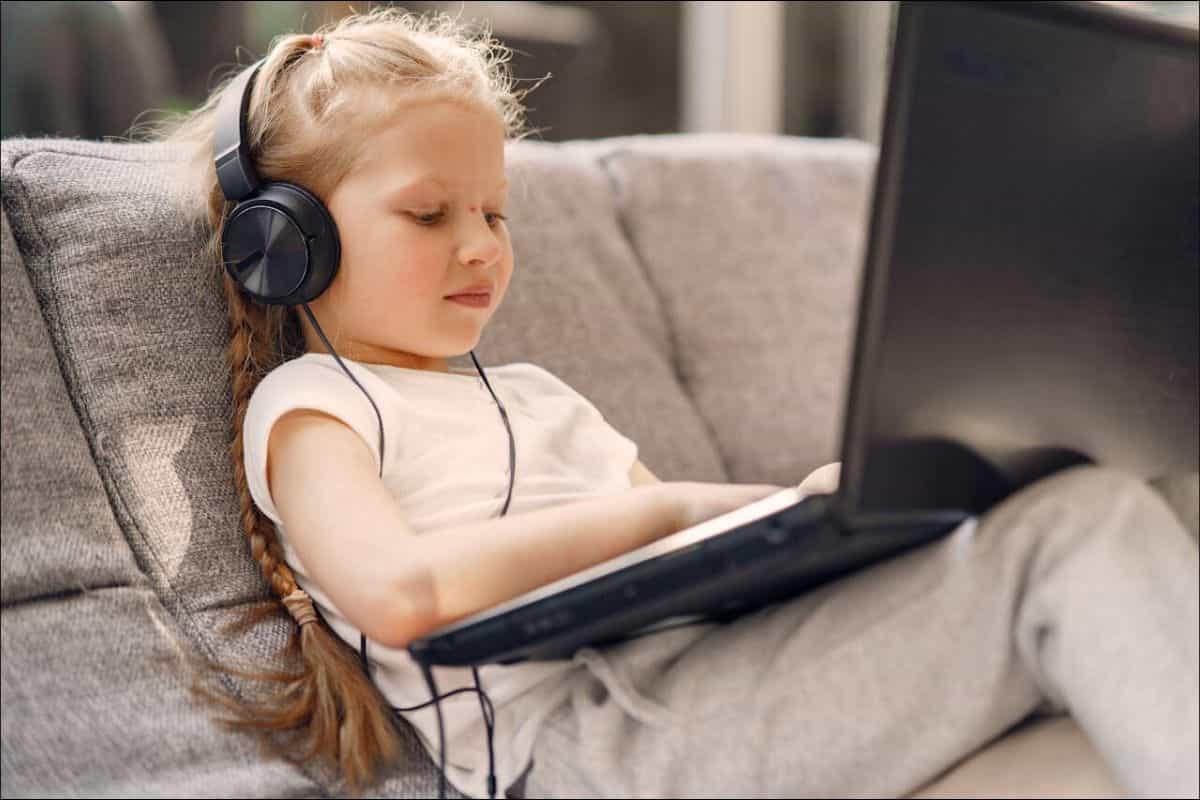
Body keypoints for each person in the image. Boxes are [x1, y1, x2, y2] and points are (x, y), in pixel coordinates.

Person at [146, 8, 1199, 799]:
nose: (480, 245)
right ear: (287, 242)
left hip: (708, 676)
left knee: (1109, 504)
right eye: (428, 214)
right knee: (1076, 532)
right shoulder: (313, 403)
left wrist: (819, 516)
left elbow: (699, 569)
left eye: (496, 211)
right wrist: (666, 508)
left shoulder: (535, 394)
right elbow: (402, 595)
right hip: (595, 745)